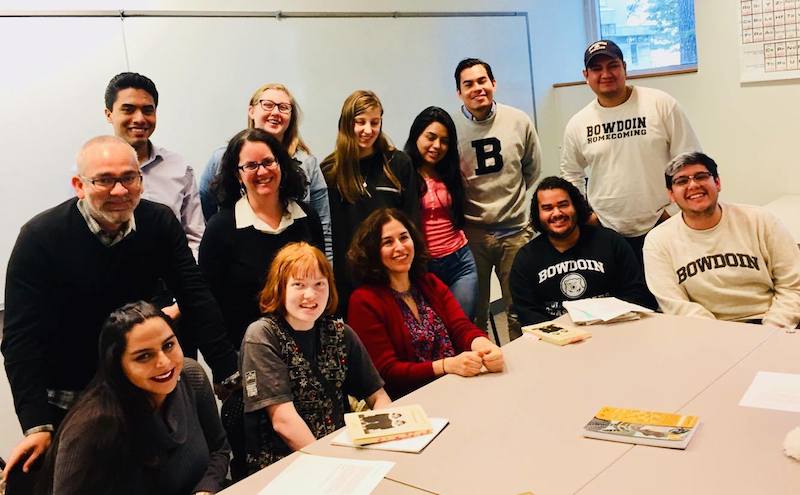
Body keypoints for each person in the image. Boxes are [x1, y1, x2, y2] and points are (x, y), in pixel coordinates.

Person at [1, 136, 238, 490]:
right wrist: (37, 424)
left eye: (130, 178)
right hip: (72, 394)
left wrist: (226, 369)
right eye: (105, 180)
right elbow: (20, 339)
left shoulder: (158, 221)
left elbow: (195, 296)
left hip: (139, 388)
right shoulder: (40, 237)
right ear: (79, 186)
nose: (119, 190)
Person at [35, 301, 230, 495]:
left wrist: (206, 489)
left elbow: (219, 449)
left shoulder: (191, 376)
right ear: (118, 366)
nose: (164, 362)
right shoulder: (91, 425)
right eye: (144, 356)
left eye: (168, 345)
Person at [240, 242, 390, 471]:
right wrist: (332, 466)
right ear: (280, 288)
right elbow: (283, 422)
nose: (310, 295)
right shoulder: (262, 336)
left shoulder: (339, 332)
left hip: (342, 450)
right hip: (283, 465)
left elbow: (378, 396)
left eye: (319, 284)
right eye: (298, 285)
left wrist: (387, 437)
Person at [560, 40, 702, 263]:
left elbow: (689, 159)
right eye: (597, 69)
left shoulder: (660, 105)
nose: (605, 74)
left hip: (662, 224)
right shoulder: (578, 123)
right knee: (619, 296)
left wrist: (676, 213)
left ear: (624, 67)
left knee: (665, 294)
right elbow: (571, 173)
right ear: (586, 75)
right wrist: (586, 215)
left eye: (612, 65)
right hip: (606, 230)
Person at [347, 208, 504, 399]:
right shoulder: (363, 301)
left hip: (456, 384)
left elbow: (461, 327)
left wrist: (484, 347)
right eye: (388, 242)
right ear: (372, 251)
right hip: (412, 401)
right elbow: (386, 371)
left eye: (404, 238)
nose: (400, 247)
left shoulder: (429, 283)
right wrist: (446, 365)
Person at [198, 128, 324, 349]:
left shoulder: (307, 218)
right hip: (246, 354)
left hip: (307, 348)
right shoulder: (220, 228)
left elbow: (321, 285)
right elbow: (207, 305)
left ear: (281, 164)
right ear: (238, 174)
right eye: (251, 166)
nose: (262, 171)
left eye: (268, 162)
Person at [643, 152, 800, 329]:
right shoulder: (657, 241)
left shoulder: (761, 221)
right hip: (705, 332)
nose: (693, 185)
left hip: (769, 323)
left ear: (717, 183)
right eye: (682, 181)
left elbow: (792, 285)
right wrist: (719, 336)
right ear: (671, 194)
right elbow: (676, 305)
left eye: (701, 176)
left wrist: (771, 329)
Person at [454, 58, 542, 340]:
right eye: (468, 84)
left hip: (515, 232)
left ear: (493, 84)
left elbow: (531, 169)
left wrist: (508, 202)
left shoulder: (518, 120)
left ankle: (526, 365)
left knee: (519, 307)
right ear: (459, 92)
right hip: (471, 235)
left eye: (482, 81)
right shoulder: (451, 128)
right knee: (474, 310)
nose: (477, 88)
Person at [199, 83, 331, 261]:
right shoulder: (221, 158)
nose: (276, 112)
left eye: (284, 107)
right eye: (268, 104)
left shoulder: (308, 163)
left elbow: (323, 230)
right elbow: (205, 205)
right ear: (251, 111)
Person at [321, 90, 419, 316]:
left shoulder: (397, 163)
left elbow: (412, 219)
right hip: (353, 281)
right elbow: (331, 232)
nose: (368, 130)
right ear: (347, 124)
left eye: (375, 122)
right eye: (360, 122)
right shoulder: (330, 172)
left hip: (395, 272)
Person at [510, 176, 656, 326]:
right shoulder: (526, 258)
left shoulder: (611, 242)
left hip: (613, 328)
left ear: (576, 207)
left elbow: (636, 293)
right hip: (559, 340)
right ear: (538, 214)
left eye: (563, 205)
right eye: (547, 208)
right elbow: (528, 313)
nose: (557, 213)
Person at [104, 72, 205, 259]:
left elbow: (195, 235)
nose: (139, 118)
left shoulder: (179, 168)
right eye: (128, 109)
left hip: (173, 279)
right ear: (109, 114)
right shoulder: (90, 171)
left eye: (147, 110)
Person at [404, 106, 478, 320]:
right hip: (425, 265)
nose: (437, 146)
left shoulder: (449, 170)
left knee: (462, 325)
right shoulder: (403, 171)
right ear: (417, 134)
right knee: (434, 331)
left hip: (460, 261)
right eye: (431, 137)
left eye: (444, 141)